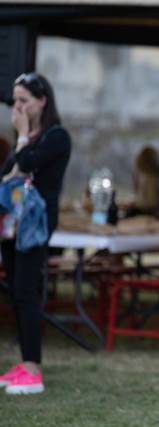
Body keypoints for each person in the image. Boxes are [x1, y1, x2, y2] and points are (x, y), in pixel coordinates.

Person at [0, 72, 71, 395]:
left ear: (42, 101)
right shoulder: (27, 136)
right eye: (14, 101)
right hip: (12, 226)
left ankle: (32, 370)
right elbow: (8, 172)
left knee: (27, 292)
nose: (18, 107)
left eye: (24, 101)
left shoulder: (56, 137)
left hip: (35, 225)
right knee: (16, 292)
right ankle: (25, 361)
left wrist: (23, 134)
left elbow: (25, 164)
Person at [128, 145, 159, 218]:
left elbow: (151, 203)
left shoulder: (152, 179)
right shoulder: (152, 178)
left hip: (152, 216)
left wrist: (134, 206)